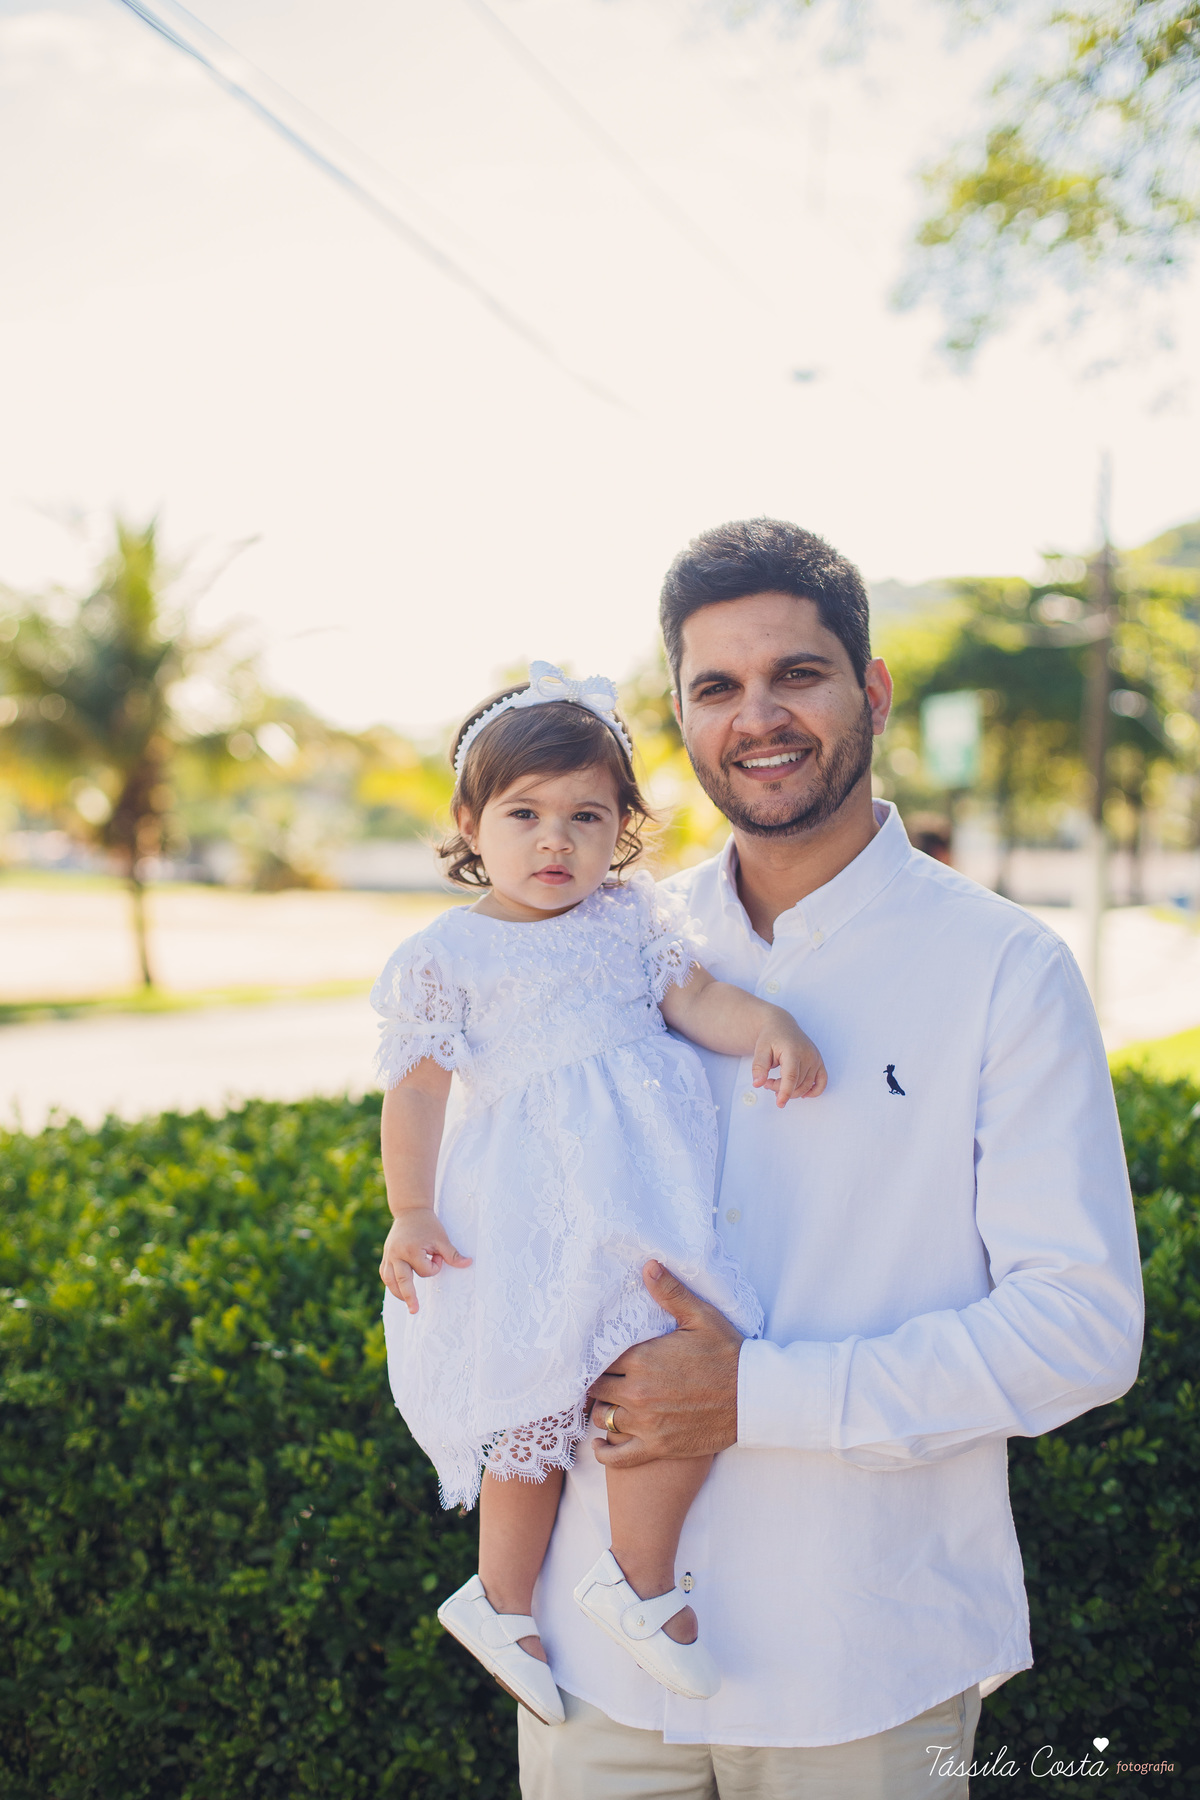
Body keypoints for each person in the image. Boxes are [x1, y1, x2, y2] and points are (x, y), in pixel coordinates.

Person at [518, 520, 1144, 1799]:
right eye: (716, 688)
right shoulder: (606, 940)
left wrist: (755, 1397)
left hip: (866, 1660)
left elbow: (1083, 1328)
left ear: (870, 691)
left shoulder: (1004, 971)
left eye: (796, 674)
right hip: (594, 1663)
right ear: (681, 723)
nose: (759, 717)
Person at [370, 661, 826, 1729]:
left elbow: (699, 995)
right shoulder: (446, 954)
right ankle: (501, 1601)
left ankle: (637, 1577)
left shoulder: (628, 920)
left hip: (640, 1208)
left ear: (622, 827)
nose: (554, 842)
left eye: (587, 815)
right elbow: (417, 1092)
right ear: (470, 821)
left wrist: (768, 1025)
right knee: (528, 1409)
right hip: (526, 1218)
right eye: (524, 814)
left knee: (666, 1379)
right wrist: (412, 1209)